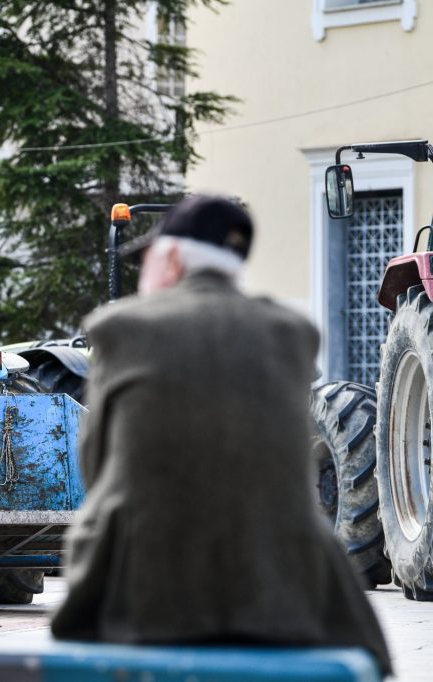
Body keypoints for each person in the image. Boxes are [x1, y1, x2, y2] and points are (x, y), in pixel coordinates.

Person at [50, 195, 392, 675]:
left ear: (169, 259)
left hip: (147, 599)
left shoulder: (122, 328)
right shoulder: (291, 333)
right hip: (281, 594)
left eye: (145, 262)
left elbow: (96, 465)